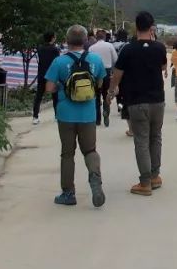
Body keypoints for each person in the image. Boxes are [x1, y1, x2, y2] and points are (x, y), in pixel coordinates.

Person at [43, 25, 106, 207]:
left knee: (67, 154)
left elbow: (49, 88)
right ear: (85, 40)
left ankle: (68, 193)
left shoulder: (59, 62)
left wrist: (62, 87)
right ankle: (95, 181)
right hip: (88, 113)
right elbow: (100, 83)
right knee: (90, 150)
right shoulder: (95, 59)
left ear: (67, 40)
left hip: (66, 114)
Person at [107, 11, 168, 196]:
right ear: (152, 28)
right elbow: (164, 67)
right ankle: (155, 175)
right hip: (158, 100)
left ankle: (145, 182)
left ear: (136, 27)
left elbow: (117, 74)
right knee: (155, 137)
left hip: (137, 101)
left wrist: (111, 91)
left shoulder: (128, 49)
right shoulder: (160, 47)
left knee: (141, 140)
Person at [89, 33, 119, 127]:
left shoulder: (91, 48)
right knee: (106, 94)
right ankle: (106, 112)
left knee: (96, 96)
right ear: (105, 37)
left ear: (96, 38)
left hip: (95, 73)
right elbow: (115, 60)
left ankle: (97, 119)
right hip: (107, 72)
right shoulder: (109, 46)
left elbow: (88, 61)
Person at [33, 32, 60, 125]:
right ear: (52, 38)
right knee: (55, 96)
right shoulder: (55, 50)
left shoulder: (40, 48)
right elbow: (57, 62)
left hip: (41, 74)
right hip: (52, 75)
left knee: (38, 96)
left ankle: (35, 117)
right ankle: (57, 116)